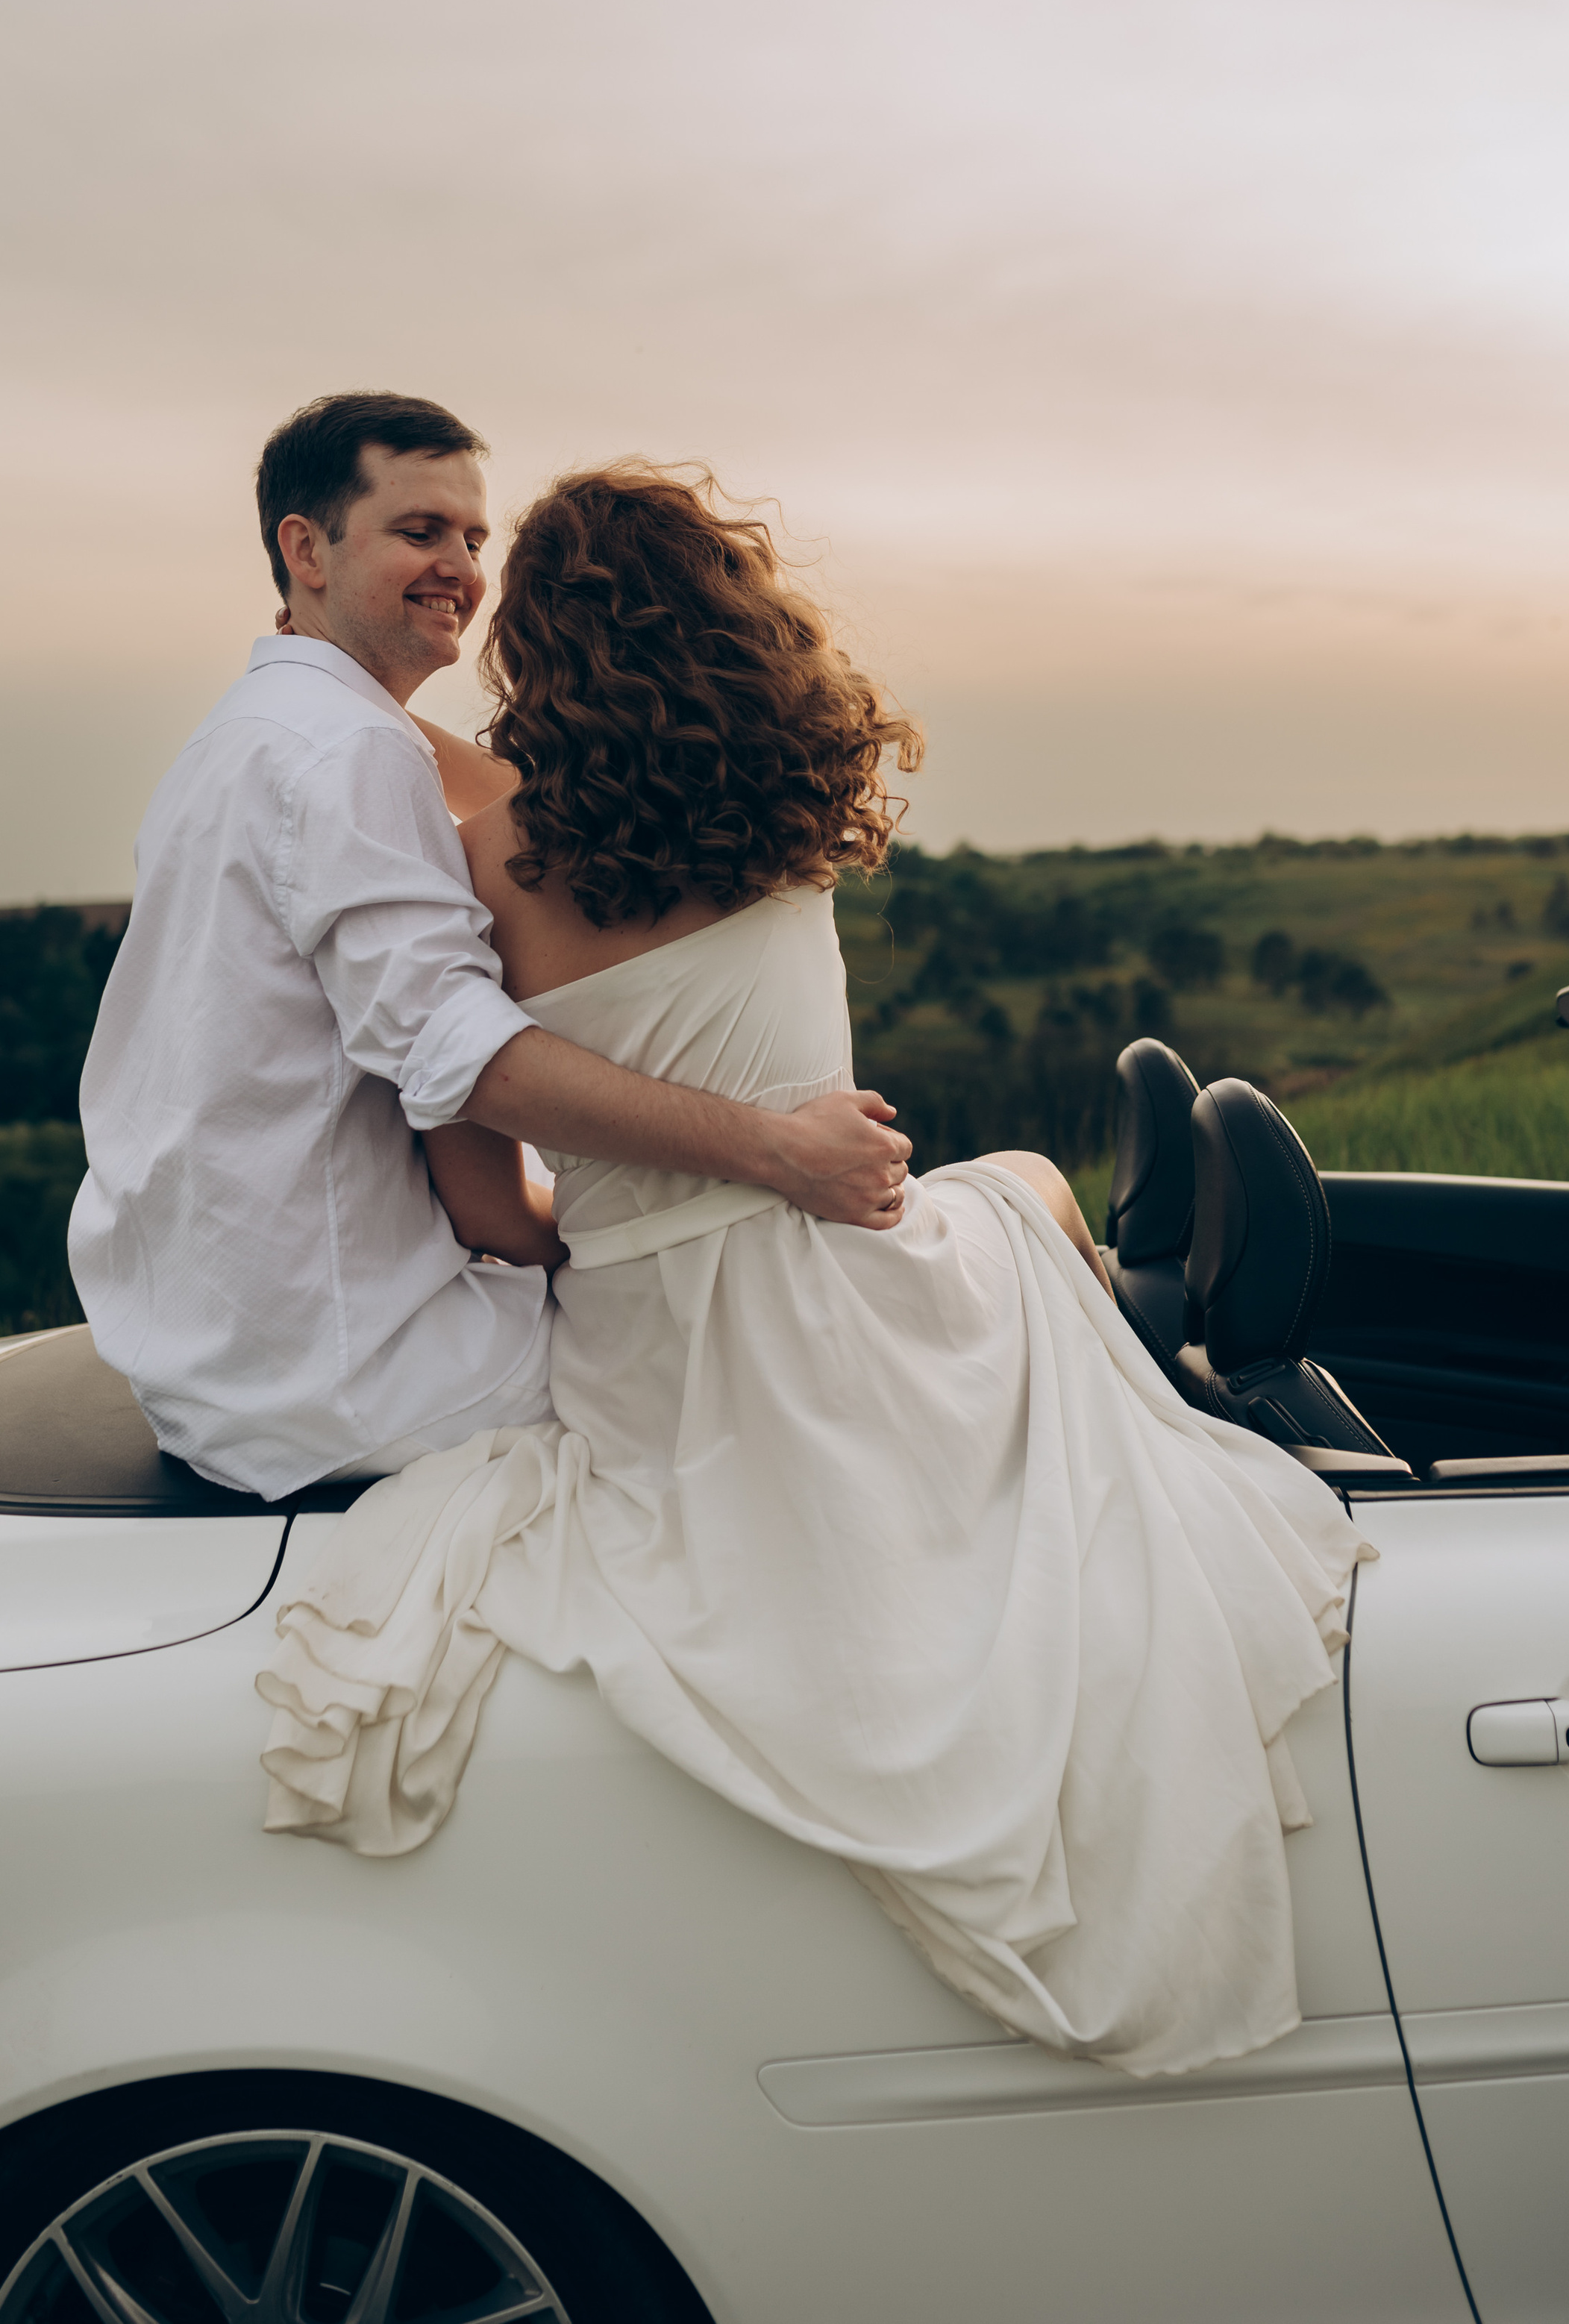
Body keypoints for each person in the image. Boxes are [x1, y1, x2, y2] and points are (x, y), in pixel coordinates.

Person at [257, 463, 1371, 2079]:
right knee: (1021, 1186)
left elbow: (493, 1215)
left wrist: (630, 1229)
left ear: (538, 651)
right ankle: (1155, 1369)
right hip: (848, 1268)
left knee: (1003, 1198)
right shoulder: (781, 814)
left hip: (655, 1352)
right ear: (736, 628)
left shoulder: (486, 861)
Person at [68, 398, 911, 1500]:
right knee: (780, 1373)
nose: (460, 567)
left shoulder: (261, 728)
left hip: (215, 1346)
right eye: (421, 531)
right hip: (352, 1371)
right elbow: (468, 1061)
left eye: (474, 539)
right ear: (304, 549)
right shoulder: (348, 756)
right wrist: (775, 1152)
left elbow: (495, 799)